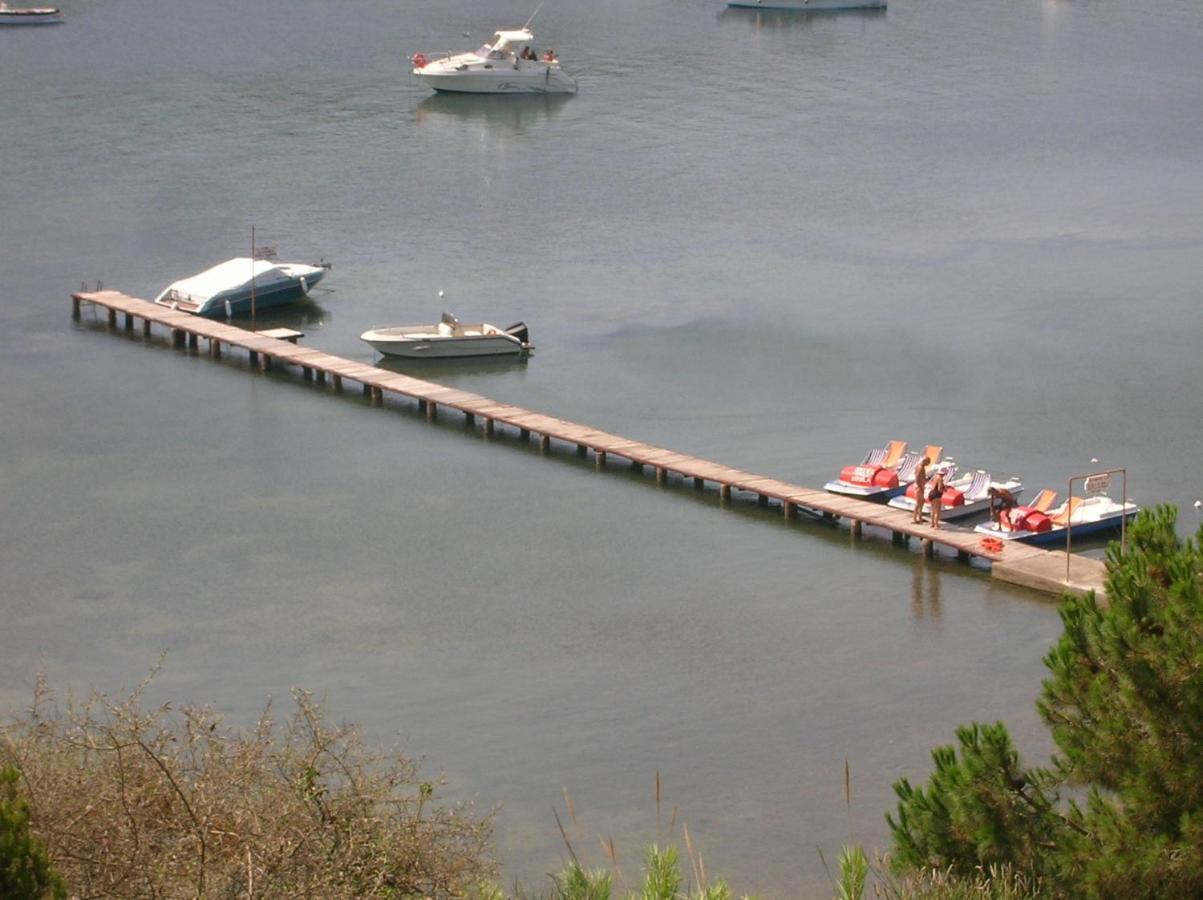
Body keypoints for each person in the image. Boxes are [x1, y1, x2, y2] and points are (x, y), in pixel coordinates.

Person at [911, 456, 931, 524]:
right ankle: (914, 519)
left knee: (921, 502)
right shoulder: (920, 467)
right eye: (928, 462)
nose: (928, 464)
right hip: (919, 486)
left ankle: (920, 517)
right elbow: (917, 478)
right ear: (925, 461)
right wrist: (921, 488)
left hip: (920, 485)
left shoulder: (919, 466)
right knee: (918, 502)